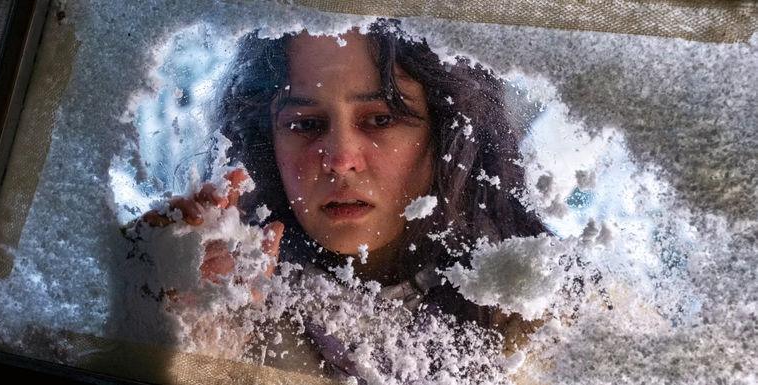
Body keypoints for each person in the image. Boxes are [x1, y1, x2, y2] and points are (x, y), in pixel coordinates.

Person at [146, 18, 549, 379]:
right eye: (305, 124)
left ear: (447, 131)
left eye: (380, 119)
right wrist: (193, 341)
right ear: (267, 141)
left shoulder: (553, 322)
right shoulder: (224, 300)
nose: (339, 161)